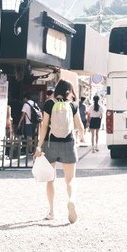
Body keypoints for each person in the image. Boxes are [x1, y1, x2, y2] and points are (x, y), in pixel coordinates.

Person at [34, 79, 85, 223]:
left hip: (51, 144)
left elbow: (44, 126)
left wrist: (39, 146)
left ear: (56, 90)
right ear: (69, 91)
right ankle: (71, 200)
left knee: (50, 180)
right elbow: (80, 126)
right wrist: (81, 137)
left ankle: (51, 212)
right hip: (68, 144)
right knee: (70, 180)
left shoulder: (49, 104)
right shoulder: (73, 105)